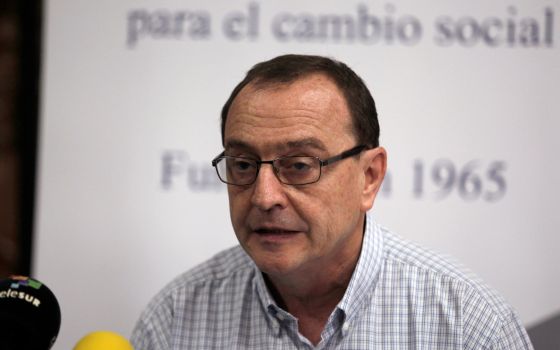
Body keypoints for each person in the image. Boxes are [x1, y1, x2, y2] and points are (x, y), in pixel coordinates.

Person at [131, 54, 533, 349]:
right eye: (243, 164)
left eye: (300, 165)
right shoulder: (175, 320)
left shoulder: (467, 324)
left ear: (369, 177)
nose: (264, 196)